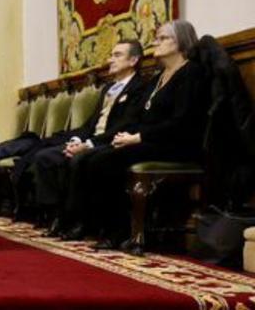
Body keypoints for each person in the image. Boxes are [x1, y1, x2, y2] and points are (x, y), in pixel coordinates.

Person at [77, 20, 208, 251]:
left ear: (181, 42)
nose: (155, 43)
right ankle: (108, 228)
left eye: (162, 38)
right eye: (156, 38)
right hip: (152, 140)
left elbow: (182, 122)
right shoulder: (159, 75)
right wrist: (128, 134)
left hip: (176, 145)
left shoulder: (191, 73)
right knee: (93, 157)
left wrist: (138, 138)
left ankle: (119, 231)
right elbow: (140, 115)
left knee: (103, 161)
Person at [32, 40, 147, 239]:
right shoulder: (108, 88)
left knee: (79, 160)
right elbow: (90, 123)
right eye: (112, 54)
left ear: (133, 60)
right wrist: (77, 140)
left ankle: (80, 221)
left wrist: (88, 145)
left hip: (113, 143)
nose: (111, 59)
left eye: (118, 55)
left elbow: (125, 125)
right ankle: (58, 216)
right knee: (45, 157)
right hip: (93, 140)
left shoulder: (140, 87)